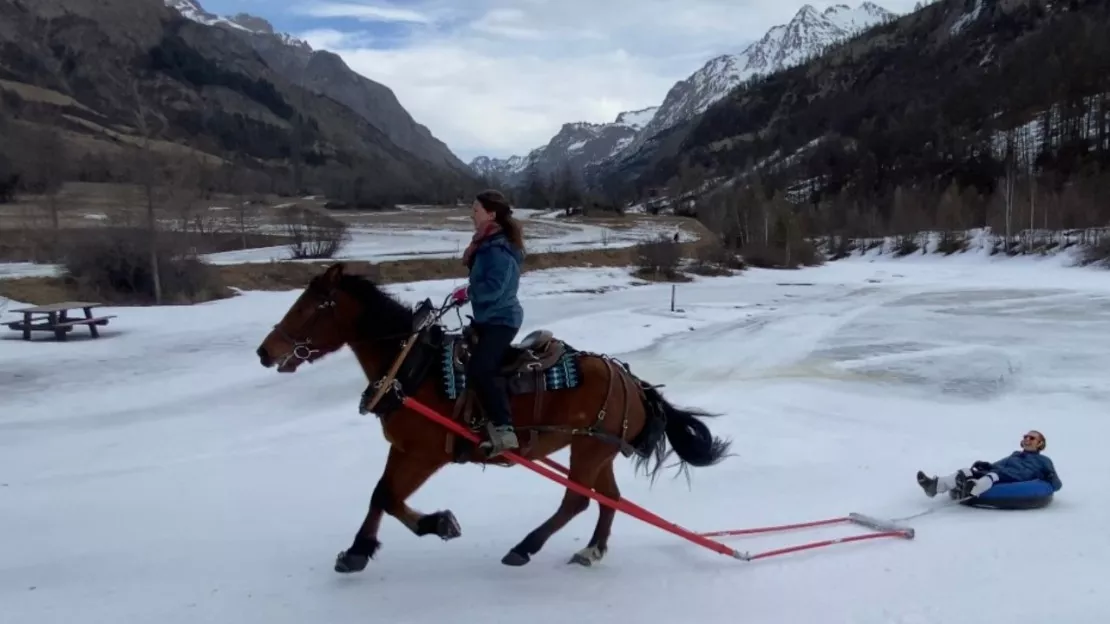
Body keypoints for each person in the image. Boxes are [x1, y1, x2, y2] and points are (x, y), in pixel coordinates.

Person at [449, 189, 526, 457]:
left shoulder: (499, 248)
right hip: (487, 317)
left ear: (491, 214)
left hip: (502, 320)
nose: (472, 214)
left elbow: (495, 288)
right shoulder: (487, 244)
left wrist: (470, 292)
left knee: (482, 369)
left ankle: (505, 430)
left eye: (476, 209)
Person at [916, 429, 1063, 499]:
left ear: (1040, 443)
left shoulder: (1044, 461)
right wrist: (986, 466)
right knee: (967, 471)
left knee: (994, 475)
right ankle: (934, 486)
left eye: (1032, 438)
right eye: (1026, 437)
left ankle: (972, 489)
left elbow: (1057, 485)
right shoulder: (1015, 455)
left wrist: (1050, 476)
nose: (1027, 439)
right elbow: (998, 465)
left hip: (1018, 478)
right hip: (1003, 474)